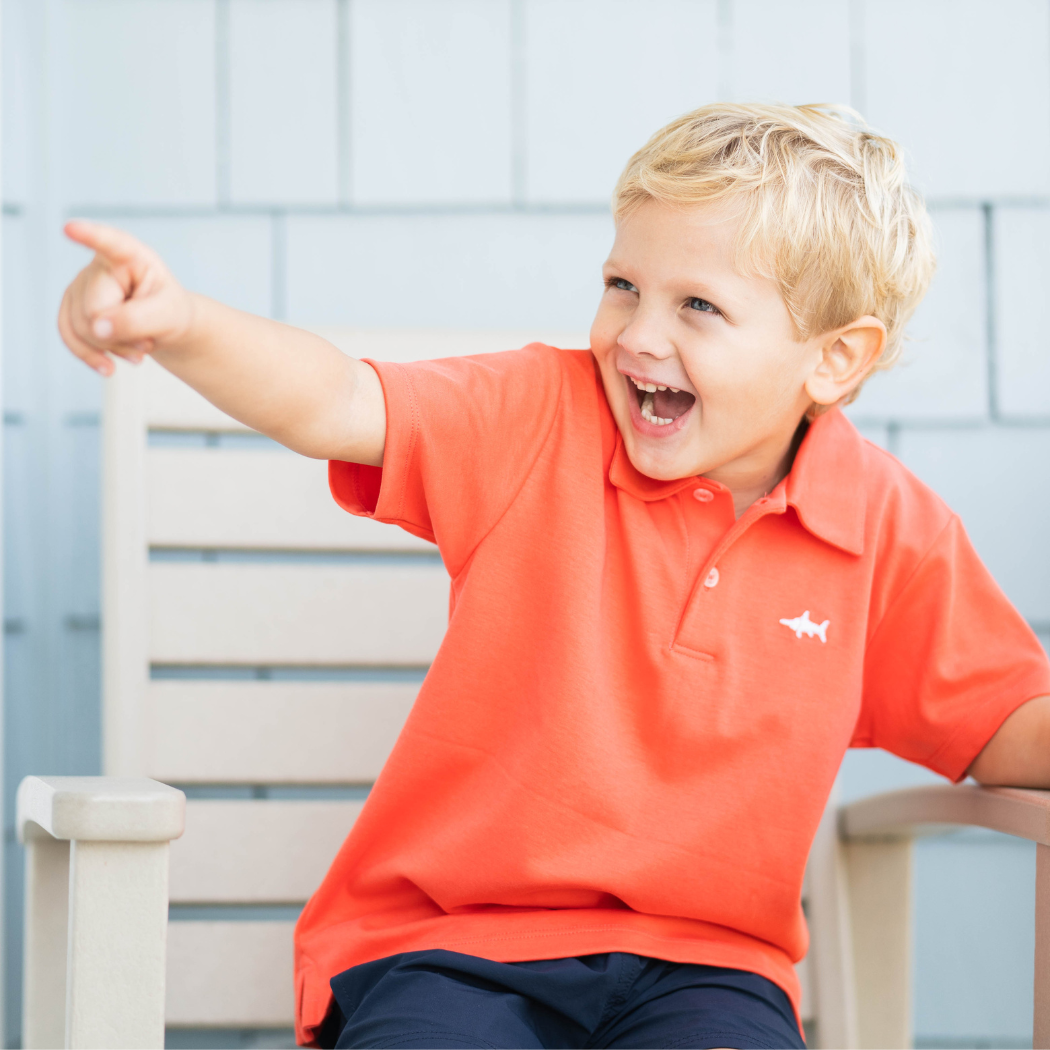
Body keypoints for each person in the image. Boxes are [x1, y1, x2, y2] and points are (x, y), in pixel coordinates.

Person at [57, 103, 1050, 1050]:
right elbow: (335, 402)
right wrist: (180, 323)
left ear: (835, 361)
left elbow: (1002, 725)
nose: (636, 334)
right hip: (453, 949)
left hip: (709, 972)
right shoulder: (537, 416)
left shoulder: (884, 528)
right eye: (623, 285)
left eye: (698, 305)